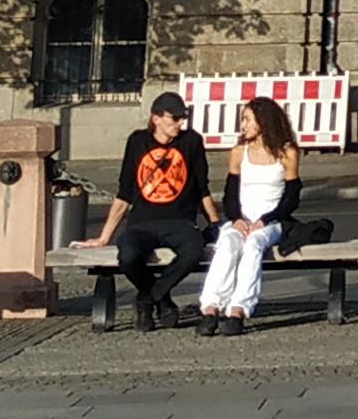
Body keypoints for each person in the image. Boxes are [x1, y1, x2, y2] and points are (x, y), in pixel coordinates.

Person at [195, 96, 303, 337]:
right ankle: (211, 307)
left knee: (254, 245)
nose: (242, 125)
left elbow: (292, 197)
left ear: (262, 123)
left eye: (246, 119)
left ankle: (239, 309)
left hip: (270, 221)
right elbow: (230, 193)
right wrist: (236, 219)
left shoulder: (287, 153)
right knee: (228, 244)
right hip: (242, 218)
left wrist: (263, 221)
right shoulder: (238, 152)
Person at [109, 89, 213, 330]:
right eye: (174, 118)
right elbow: (124, 193)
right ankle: (162, 298)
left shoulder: (191, 142)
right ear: (156, 118)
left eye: (182, 118)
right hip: (142, 223)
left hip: (180, 222)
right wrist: (103, 236)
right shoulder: (137, 141)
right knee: (128, 257)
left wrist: (214, 223)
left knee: (193, 250)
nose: (179, 123)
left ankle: (147, 299)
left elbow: (202, 189)